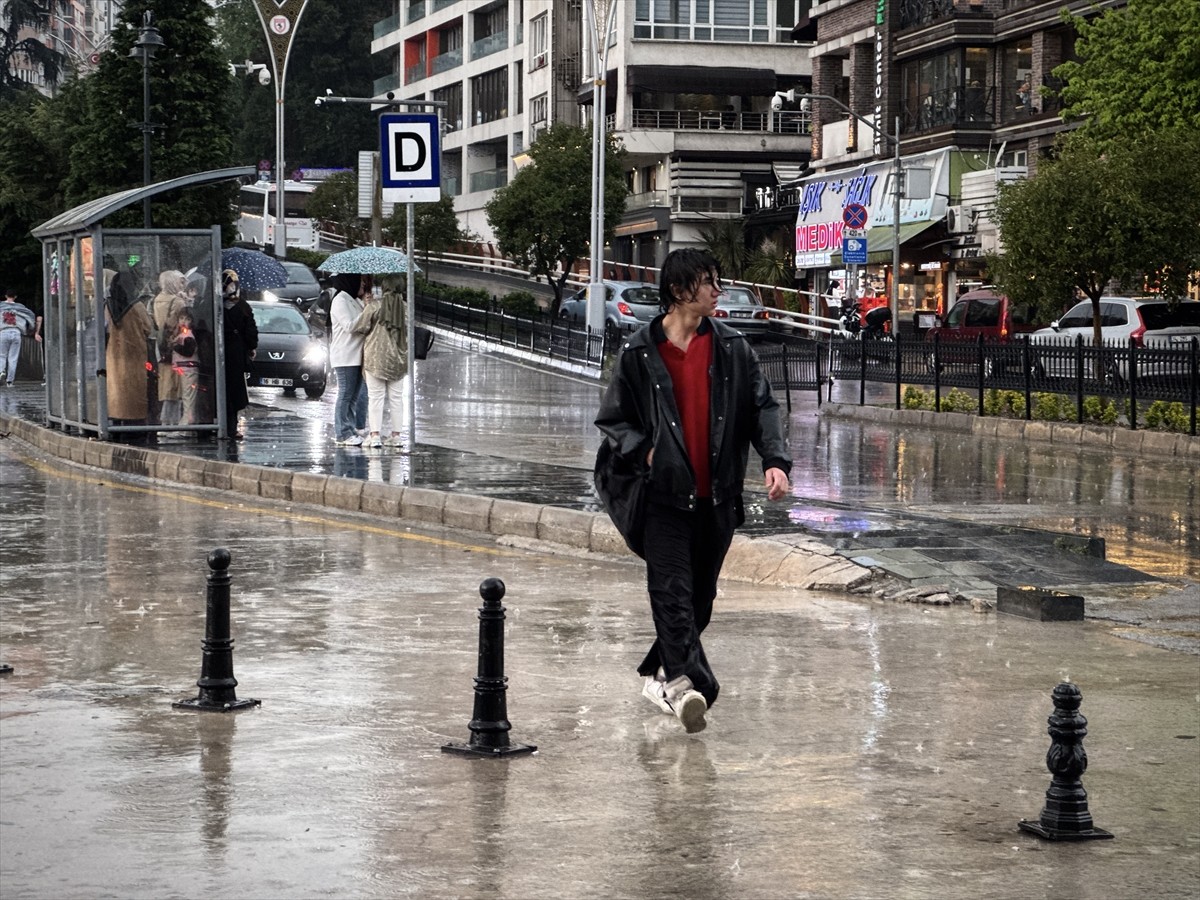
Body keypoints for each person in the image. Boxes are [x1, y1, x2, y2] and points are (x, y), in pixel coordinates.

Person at [594, 248, 791, 734]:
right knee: (672, 593)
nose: (716, 291)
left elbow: (761, 408)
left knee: (699, 600)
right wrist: (646, 453)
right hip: (662, 497)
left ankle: (660, 674)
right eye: (707, 282)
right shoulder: (640, 352)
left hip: (716, 496)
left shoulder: (733, 348)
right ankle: (686, 684)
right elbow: (613, 420)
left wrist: (775, 461)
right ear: (680, 291)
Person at [352, 279, 408, 449]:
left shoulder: (375, 306)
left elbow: (360, 327)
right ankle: (396, 436)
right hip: (399, 359)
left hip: (376, 358)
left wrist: (366, 306)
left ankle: (375, 435)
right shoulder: (405, 308)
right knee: (396, 399)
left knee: (375, 398)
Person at [102, 269, 153, 430]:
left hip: (114, 353)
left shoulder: (108, 305)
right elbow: (148, 328)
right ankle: (134, 423)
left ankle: (116, 420)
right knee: (134, 389)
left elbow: (105, 328)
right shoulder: (136, 306)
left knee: (117, 389)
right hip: (134, 352)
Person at [328, 272, 369, 446]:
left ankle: (350, 428)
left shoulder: (353, 300)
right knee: (345, 395)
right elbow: (350, 325)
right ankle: (342, 433)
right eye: (360, 282)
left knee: (353, 396)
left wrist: (367, 307)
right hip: (345, 356)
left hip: (356, 356)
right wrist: (367, 314)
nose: (362, 286)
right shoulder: (340, 300)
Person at [219, 269, 257, 440]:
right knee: (234, 392)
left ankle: (217, 425)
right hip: (236, 354)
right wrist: (251, 348)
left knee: (221, 390)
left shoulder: (215, 304)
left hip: (218, 353)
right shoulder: (243, 306)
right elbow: (251, 332)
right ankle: (231, 427)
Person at [151, 270, 188, 424]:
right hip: (175, 344)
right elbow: (183, 323)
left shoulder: (157, 299)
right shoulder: (177, 302)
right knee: (177, 383)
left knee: (166, 381)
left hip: (160, 345)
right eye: (179, 282)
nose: (182, 285)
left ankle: (165, 420)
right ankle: (172, 420)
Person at [1, 288, 37, 387]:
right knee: (13, 357)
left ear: (5, 296)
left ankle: (1, 371)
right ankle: (10, 381)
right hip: (16, 332)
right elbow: (31, 315)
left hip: (3, 332)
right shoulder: (20, 308)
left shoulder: (1, 306)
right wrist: (31, 328)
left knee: (2, 355)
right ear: (15, 297)